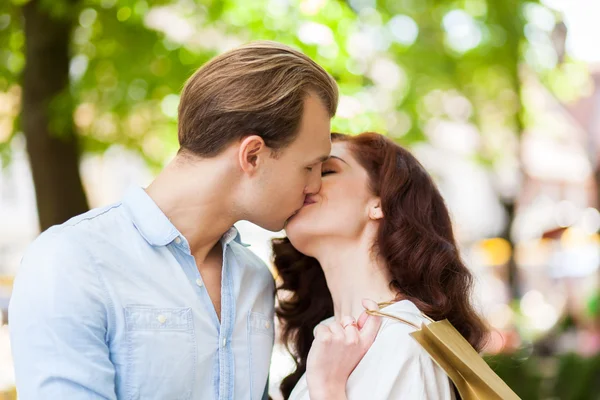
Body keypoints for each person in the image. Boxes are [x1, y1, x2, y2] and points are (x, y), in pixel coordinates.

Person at [9, 41, 343, 400]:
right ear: (253, 155)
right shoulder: (73, 261)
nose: (313, 187)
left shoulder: (254, 278)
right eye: (309, 167)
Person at [273, 132, 489, 400]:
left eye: (327, 170)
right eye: (305, 170)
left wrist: (327, 389)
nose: (307, 183)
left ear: (380, 202)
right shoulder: (333, 336)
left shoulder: (404, 339)